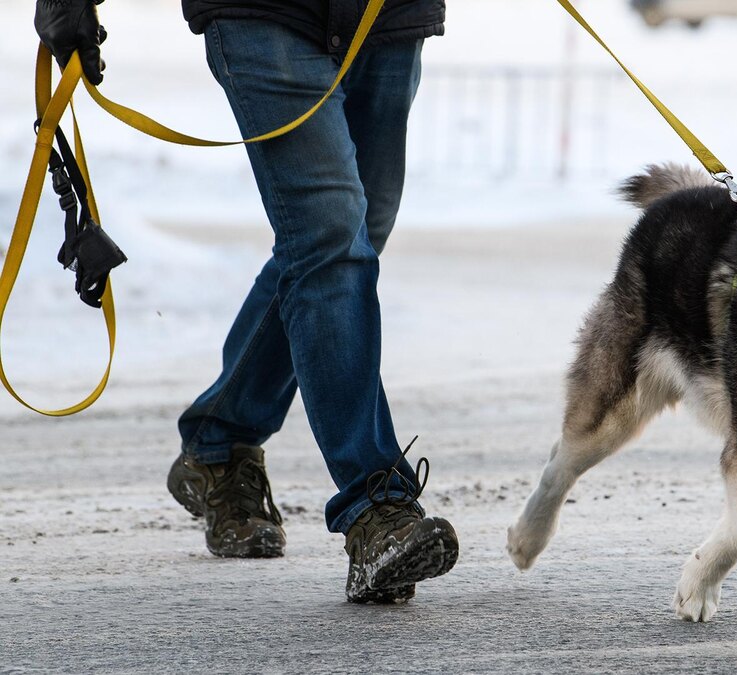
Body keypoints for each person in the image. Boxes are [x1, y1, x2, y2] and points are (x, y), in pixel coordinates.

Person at [34, 0, 458, 604]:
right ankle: (376, 505)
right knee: (332, 237)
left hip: (388, 15)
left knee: (352, 233)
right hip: (263, 11)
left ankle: (220, 441)